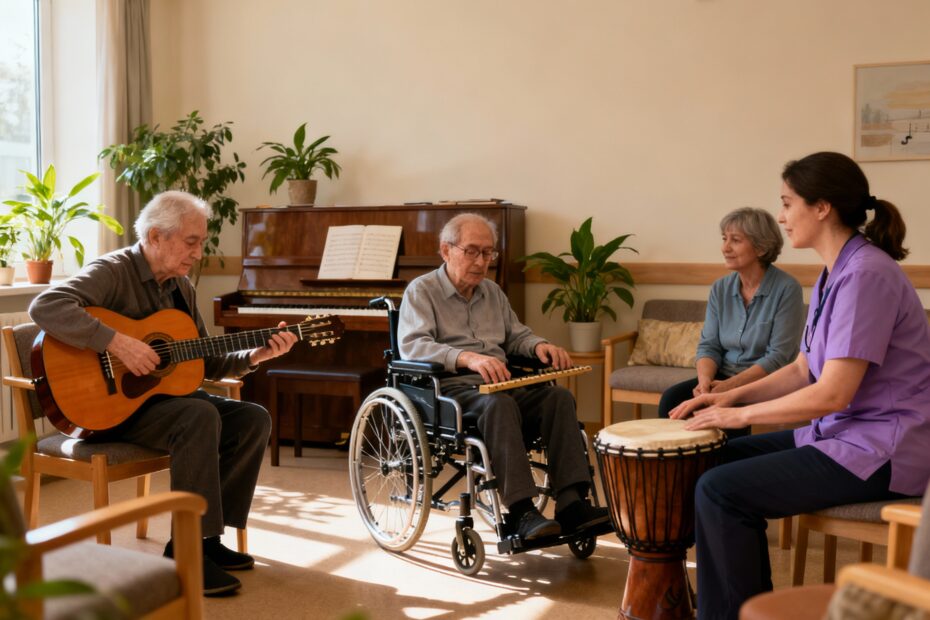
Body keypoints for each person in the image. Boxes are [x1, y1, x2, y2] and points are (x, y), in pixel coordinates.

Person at [669, 152, 930, 619]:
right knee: (711, 462)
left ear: (822, 207)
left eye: (788, 204)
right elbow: (801, 369)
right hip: (845, 435)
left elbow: (833, 393)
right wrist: (726, 396)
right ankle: (731, 603)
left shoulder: (866, 274)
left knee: (720, 490)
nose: (783, 217)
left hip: (883, 450)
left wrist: (739, 416)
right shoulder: (835, 271)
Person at [29, 190, 298, 596]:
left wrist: (256, 354)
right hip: (102, 411)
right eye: (192, 241)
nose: (198, 253)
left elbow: (204, 363)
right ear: (156, 237)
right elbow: (45, 306)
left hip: (155, 405)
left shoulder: (180, 289)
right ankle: (185, 550)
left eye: (201, 243)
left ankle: (208, 541)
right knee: (198, 415)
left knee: (251, 417)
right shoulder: (113, 271)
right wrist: (116, 342)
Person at [398, 213, 609, 541]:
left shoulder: (492, 293)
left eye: (488, 253)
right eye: (471, 251)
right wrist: (467, 357)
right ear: (446, 250)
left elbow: (516, 336)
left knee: (558, 397)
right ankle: (522, 511)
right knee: (497, 406)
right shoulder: (421, 291)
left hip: (501, 386)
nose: (481, 261)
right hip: (450, 391)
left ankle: (571, 503)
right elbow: (414, 346)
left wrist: (540, 346)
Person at [657, 207, 805, 436]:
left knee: (728, 413)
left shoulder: (787, 289)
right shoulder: (720, 288)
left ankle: (722, 468)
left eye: (735, 240)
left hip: (765, 382)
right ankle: (683, 470)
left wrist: (729, 388)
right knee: (672, 400)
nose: (725, 248)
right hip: (720, 379)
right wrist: (705, 382)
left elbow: (779, 357)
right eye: (725, 239)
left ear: (761, 247)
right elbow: (709, 346)